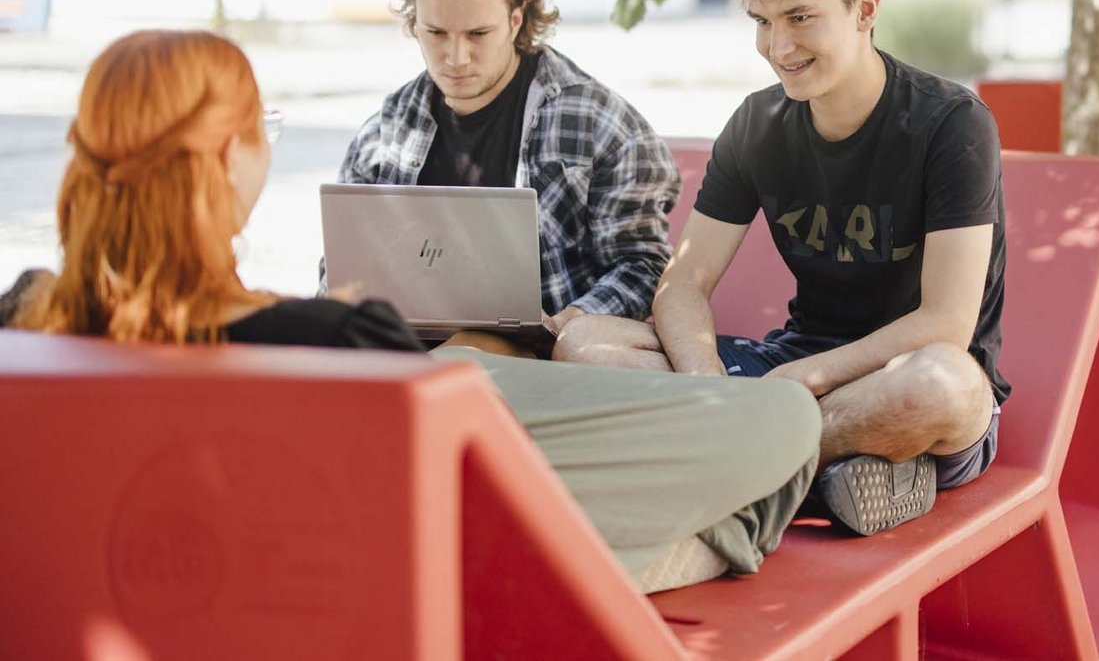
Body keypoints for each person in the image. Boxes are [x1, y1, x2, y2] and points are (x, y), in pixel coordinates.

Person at [6, 29, 820, 591]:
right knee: (782, 420)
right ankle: (724, 534)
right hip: (407, 567)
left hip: (188, 574)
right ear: (230, 156)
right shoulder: (336, 343)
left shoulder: (26, 319)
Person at [556, 0, 1006, 537]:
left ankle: (732, 470)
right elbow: (683, 283)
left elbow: (946, 323)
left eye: (800, 17)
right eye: (762, 21)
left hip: (895, 383)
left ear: (865, 9)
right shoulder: (757, 124)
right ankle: (824, 478)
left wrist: (802, 380)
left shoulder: (951, 124)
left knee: (945, 386)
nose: (778, 46)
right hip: (785, 379)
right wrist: (705, 386)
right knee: (584, 345)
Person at [331, 0, 679, 347]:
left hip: (540, 354)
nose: (456, 57)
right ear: (413, 23)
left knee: (459, 359)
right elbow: (338, 271)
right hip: (399, 348)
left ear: (515, 21)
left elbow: (643, 264)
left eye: (478, 33)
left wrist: (572, 320)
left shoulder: (598, 122)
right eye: (436, 33)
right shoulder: (385, 132)